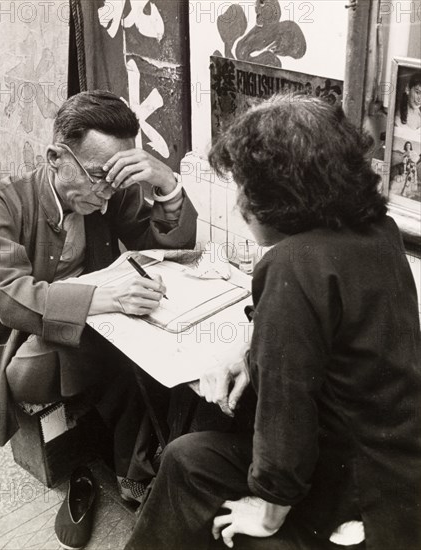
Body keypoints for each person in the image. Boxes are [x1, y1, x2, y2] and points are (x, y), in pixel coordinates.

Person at [125, 94, 421, 550]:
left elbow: (288, 416)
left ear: (284, 194)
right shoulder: (376, 229)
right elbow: (332, 335)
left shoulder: (292, 263)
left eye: (247, 187)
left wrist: (268, 510)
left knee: (195, 455)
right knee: (188, 456)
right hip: (394, 465)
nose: (241, 202)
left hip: (351, 489)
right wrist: (250, 351)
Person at [0, 90, 197, 486]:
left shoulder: (110, 190)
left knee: (154, 349)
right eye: (98, 176)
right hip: (21, 344)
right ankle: (139, 459)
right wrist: (110, 299)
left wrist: (166, 184)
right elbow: (11, 299)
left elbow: (165, 247)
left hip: (94, 326)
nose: (107, 191)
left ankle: (137, 468)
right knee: (138, 361)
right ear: (55, 158)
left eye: (117, 177)